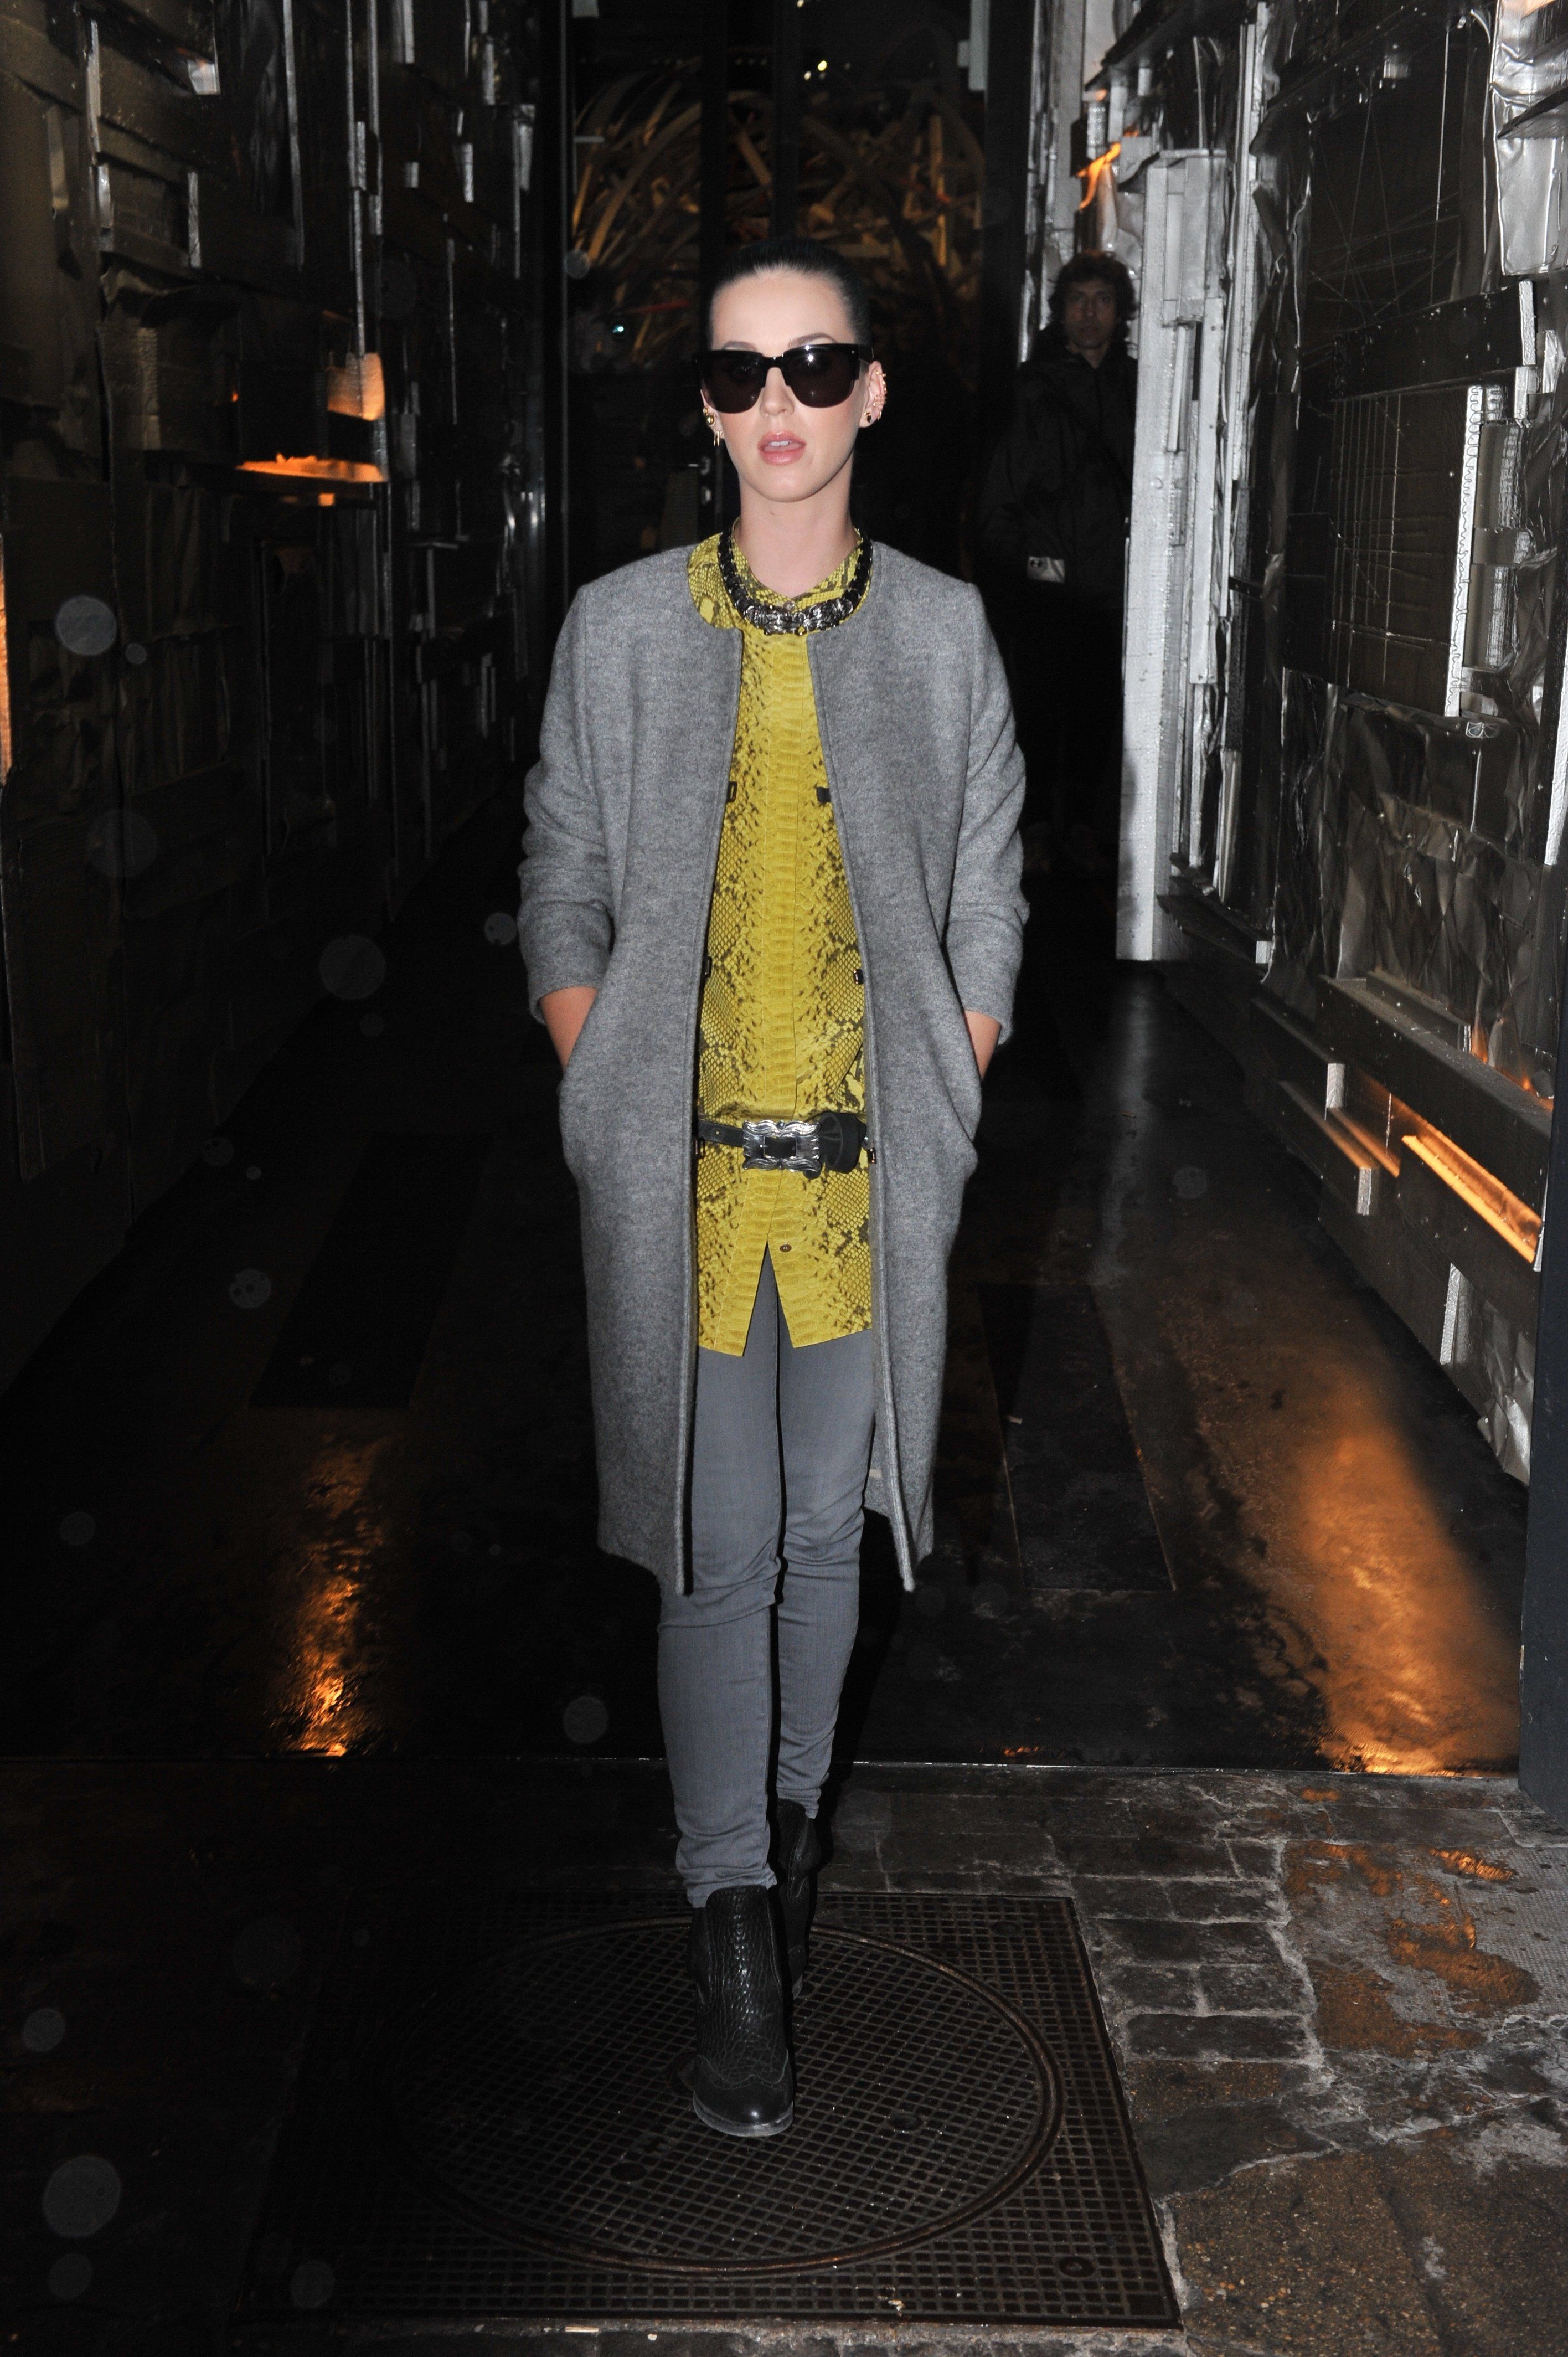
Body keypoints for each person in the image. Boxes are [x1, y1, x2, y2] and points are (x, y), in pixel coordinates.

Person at [517, 236, 1025, 2141]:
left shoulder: (944, 634)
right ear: (707, 410)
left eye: (815, 367)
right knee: (711, 1540)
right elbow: (562, 866)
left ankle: (788, 1829)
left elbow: (987, 879)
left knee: (828, 1532)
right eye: (740, 375)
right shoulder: (620, 629)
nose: (779, 407)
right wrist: (597, 1063)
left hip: (868, 1177)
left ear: (868, 390)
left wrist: (958, 1058)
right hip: (687, 1177)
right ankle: (733, 1912)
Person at [976, 250, 1137, 870]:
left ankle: (1087, 828)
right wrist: (1020, 572)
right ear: (1060, 312)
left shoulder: (1140, 388)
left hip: (1112, 586)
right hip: (1047, 586)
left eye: (1102, 300)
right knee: (1038, 712)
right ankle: (1039, 826)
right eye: (1078, 300)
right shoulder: (1032, 391)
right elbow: (1000, 494)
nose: (1090, 313)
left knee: (1099, 712)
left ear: (1121, 311)